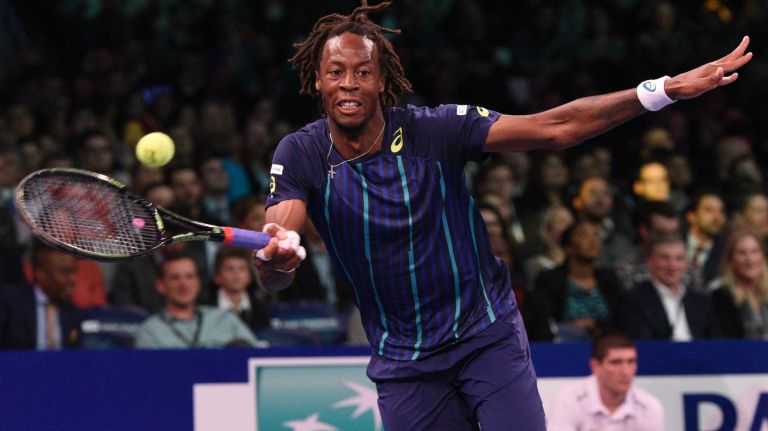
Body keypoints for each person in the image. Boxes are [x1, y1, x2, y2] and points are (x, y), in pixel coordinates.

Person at [254, 2, 751, 429]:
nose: (349, 84)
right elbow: (281, 249)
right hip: (404, 361)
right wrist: (277, 258)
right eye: (336, 71)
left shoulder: (437, 130)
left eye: (363, 72)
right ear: (317, 79)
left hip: (483, 334)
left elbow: (555, 127)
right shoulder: (300, 154)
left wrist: (660, 91)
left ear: (382, 81)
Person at [134, 252, 261, 348]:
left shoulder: (225, 319)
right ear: (161, 285)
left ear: (198, 282)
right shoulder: (150, 331)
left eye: (189, 277)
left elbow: (257, 356)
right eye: (175, 278)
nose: (183, 284)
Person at [547, 331, 664, 430]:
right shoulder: (569, 401)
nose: (626, 372)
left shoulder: (649, 407)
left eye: (631, 362)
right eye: (616, 362)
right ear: (595, 366)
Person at [534, 220, 624, 341]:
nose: (593, 241)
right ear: (568, 247)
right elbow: (543, 324)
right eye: (584, 235)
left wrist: (596, 325)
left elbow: (621, 317)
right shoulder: (549, 280)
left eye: (596, 235)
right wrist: (570, 327)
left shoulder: (609, 278)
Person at [624, 233, 721, 340]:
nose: (672, 265)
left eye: (679, 258)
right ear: (650, 262)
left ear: (686, 263)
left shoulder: (702, 302)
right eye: (665, 258)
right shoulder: (635, 300)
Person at [0, 240, 81, 350]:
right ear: (40, 273)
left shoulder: (72, 312)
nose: (73, 279)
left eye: (74, 272)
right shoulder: (9, 302)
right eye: (65, 272)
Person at [709, 229, 768, 339]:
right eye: (742, 253)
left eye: (755, 251)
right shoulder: (720, 296)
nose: (750, 259)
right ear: (731, 259)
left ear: (762, 256)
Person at [207, 246, 270, 332]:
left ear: (249, 277)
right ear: (217, 276)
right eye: (230, 269)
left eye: (242, 269)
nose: (236, 274)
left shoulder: (259, 307)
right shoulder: (205, 306)